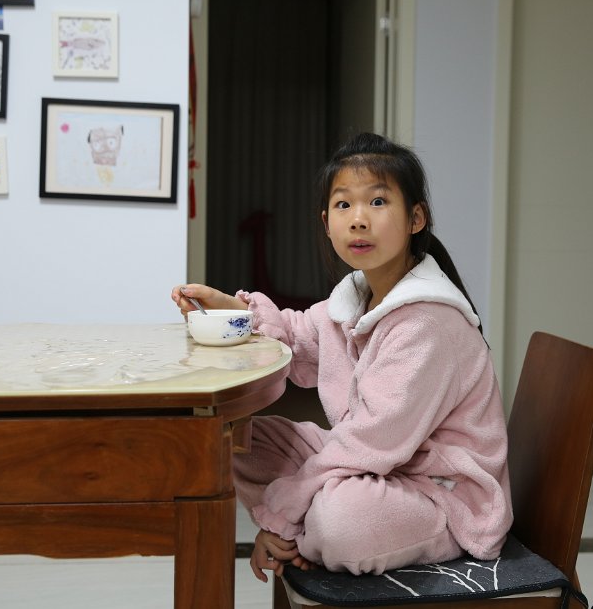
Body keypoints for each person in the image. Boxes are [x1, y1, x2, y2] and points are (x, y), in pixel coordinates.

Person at [171, 132, 512, 582]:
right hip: (377, 467)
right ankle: (309, 527)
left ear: (416, 218)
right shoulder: (357, 295)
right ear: (326, 222)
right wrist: (231, 309)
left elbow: (371, 442)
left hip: (438, 493)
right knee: (235, 441)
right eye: (344, 204)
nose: (358, 220)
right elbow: (297, 335)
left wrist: (282, 514)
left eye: (377, 202)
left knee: (341, 520)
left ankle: (305, 532)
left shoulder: (426, 321)